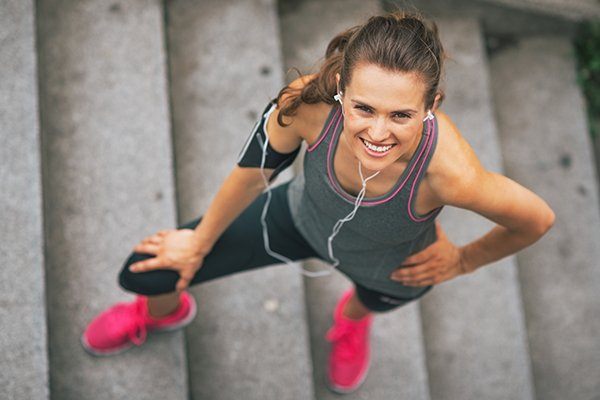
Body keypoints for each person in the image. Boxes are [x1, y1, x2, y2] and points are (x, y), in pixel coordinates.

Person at [81, 10, 555, 394]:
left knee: (373, 301)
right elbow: (252, 176)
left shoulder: (451, 172)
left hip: (389, 266)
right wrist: (198, 243)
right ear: (341, 91)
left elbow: (536, 218)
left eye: (402, 115)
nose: (377, 132)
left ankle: (351, 321)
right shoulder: (307, 105)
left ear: (433, 105)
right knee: (148, 270)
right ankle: (164, 313)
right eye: (363, 107)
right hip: (296, 218)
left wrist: (464, 259)